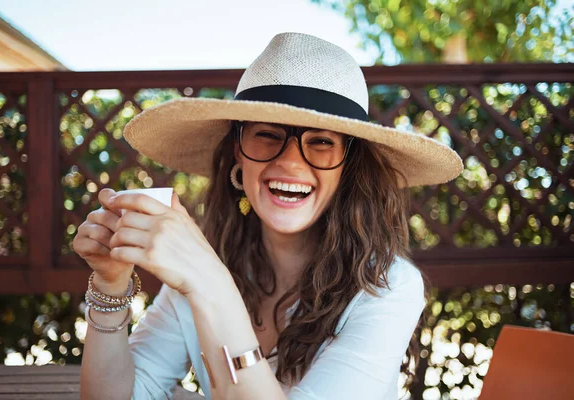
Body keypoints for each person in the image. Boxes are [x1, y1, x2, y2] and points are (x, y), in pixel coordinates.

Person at [75, 32, 463, 399]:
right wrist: (110, 284)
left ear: (349, 168)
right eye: (267, 134)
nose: (291, 163)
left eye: (322, 142)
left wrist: (211, 285)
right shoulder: (203, 266)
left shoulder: (388, 288)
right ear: (237, 156)